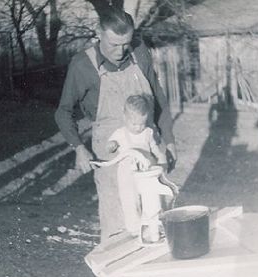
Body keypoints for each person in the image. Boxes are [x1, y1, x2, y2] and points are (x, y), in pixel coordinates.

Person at [54, 7, 177, 245]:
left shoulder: (140, 52)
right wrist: (79, 147)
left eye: (125, 44)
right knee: (118, 223)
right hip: (112, 155)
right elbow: (63, 112)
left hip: (147, 150)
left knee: (153, 219)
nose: (120, 51)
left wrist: (169, 140)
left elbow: (159, 99)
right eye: (113, 44)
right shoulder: (82, 65)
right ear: (99, 33)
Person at [107, 94, 168, 244]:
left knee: (152, 197)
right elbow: (109, 146)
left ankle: (156, 224)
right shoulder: (120, 133)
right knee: (129, 198)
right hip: (127, 173)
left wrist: (161, 158)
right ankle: (134, 228)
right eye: (134, 124)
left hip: (146, 172)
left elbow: (154, 147)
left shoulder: (147, 132)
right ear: (125, 118)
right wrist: (111, 146)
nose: (138, 127)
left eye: (142, 123)